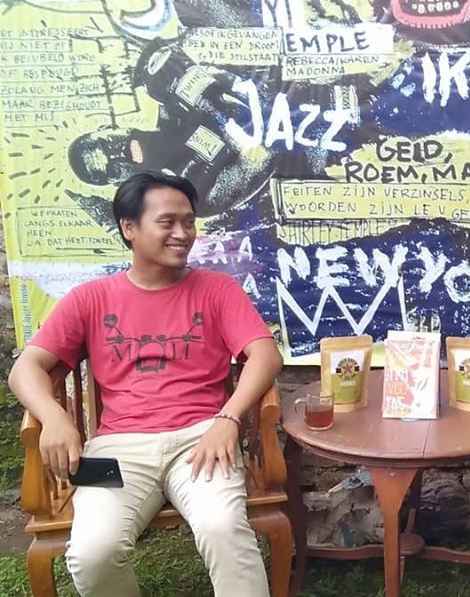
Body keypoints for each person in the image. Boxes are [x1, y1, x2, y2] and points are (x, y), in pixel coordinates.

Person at [8, 171, 283, 596]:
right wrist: (54, 417)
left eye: (188, 222)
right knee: (93, 553)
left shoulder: (217, 290)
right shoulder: (90, 298)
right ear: (129, 228)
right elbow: (25, 368)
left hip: (202, 439)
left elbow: (265, 354)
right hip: (118, 447)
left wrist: (228, 418)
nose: (183, 234)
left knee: (223, 528)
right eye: (167, 222)